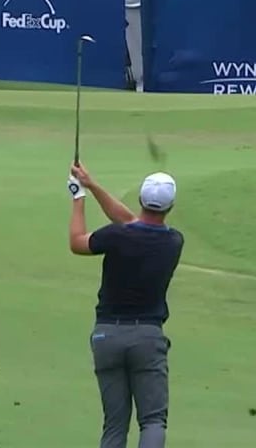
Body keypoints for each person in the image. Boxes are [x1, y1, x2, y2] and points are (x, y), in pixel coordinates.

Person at [66, 162, 185, 448]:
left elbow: (77, 242)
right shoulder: (173, 241)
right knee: (153, 420)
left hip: (107, 336)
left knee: (115, 424)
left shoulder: (118, 235)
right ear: (170, 207)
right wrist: (91, 184)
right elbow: (132, 221)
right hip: (147, 337)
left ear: (142, 199)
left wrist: (79, 197)